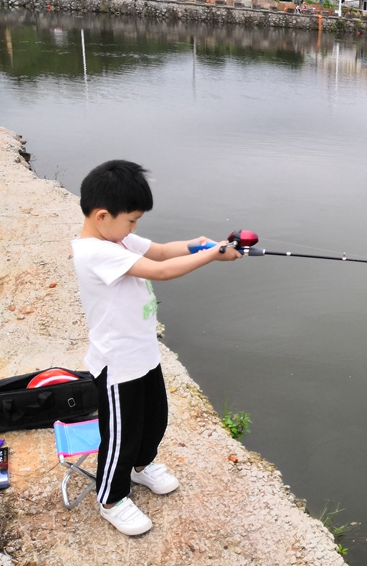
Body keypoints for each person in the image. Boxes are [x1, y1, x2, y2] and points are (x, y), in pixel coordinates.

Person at [71, 160, 241, 536]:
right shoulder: (95, 252)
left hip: (144, 353)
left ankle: (142, 467)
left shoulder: (116, 238)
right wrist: (212, 256)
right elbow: (162, 271)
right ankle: (111, 498)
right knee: (121, 434)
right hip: (117, 364)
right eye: (131, 220)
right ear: (102, 216)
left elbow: (163, 252)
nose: (134, 229)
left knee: (154, 419)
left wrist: (200, 244)